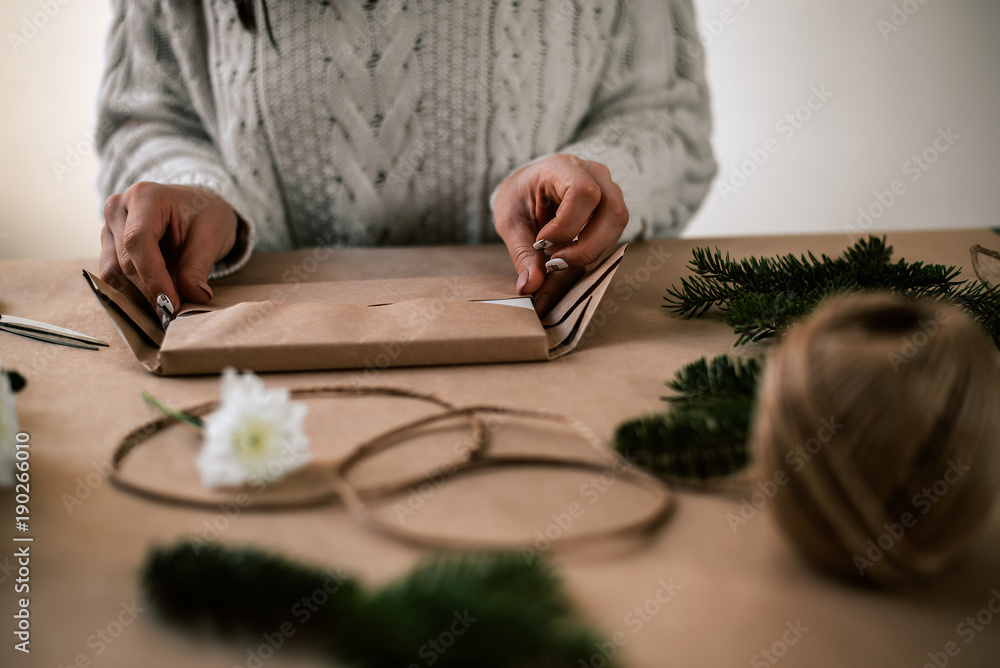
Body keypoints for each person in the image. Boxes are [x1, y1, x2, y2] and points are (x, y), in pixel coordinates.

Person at [96, 0, 716, 324]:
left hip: (547, 344)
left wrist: (595, 175)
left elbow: (666, 120)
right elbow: (146, 117)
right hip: (245, 359)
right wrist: (197, 191)